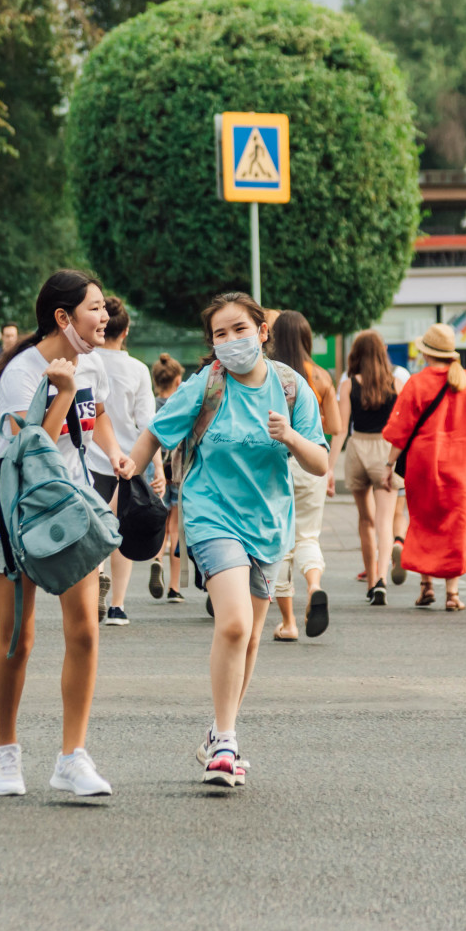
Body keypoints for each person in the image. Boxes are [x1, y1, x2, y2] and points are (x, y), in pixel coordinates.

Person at [124, 292, 328, 788]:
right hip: (211, 515)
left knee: (252, 636)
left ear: (262, 332)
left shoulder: (291, 386)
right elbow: (157, 432)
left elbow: (320, 462)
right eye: (220, 334)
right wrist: (130, 467)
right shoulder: (208, 384)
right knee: (234, 624)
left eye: (240, 329)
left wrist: (293, 439)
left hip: (268, 525)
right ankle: (228, 742)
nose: (231, 341)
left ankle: (219, 734)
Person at [0, 271, 130, 798]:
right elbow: (27, 448)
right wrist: (60, 390)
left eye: (103, 307)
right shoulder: (23, 372)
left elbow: (100, 415)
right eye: (94, 308)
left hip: (70, 513)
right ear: (64, 318)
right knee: (17, 639)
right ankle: (5, 752)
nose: (104, 316)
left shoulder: (94, 364)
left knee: (86, 630)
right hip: (16, 516)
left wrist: (115, 452)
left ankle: (72, 757)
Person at [381, 324, 466, 612]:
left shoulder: (417, 383)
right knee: (458, 527)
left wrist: (389, 465)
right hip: (464, 469)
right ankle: (452, 593)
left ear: (426, 352)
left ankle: (426, 586)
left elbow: (400, 432)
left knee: (423, 522)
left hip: (423, 467)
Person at [83, 297, 159, 627]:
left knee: (92, 528)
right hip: (128, 461)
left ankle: (93, 583)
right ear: (125, 331)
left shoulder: (84, 361)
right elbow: (149, 423)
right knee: (121, 531)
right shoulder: (138, 370)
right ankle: (117, 606)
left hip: (89, 459)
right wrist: (158, 467)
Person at [267, 310, 343, 640]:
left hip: (277, 463)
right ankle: (314, 586)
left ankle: (288, 623)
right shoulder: (321, 377)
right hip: (312, 461)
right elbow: (336, 429)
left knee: (282, 543)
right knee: (308, 537)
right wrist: (328, 470)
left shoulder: (267, 376)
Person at [338, 330, 400, 606]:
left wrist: (328, 467)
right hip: (386, 451)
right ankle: (382, 581)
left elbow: (340, 430)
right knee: (386, 521)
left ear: (356, 354)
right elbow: (402, 427)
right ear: (381, 353)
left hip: (358, 449)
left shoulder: (349, 385)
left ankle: (371, 577)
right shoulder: (396, 383)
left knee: (366, 521)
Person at [148, 354, 188, 604]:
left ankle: (155, 559)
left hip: (154, 472)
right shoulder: (181, 404)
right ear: (177, 380)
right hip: (176, 472)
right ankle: (174, 588)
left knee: (160, 524)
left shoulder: (150, 405)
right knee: (175, 527)